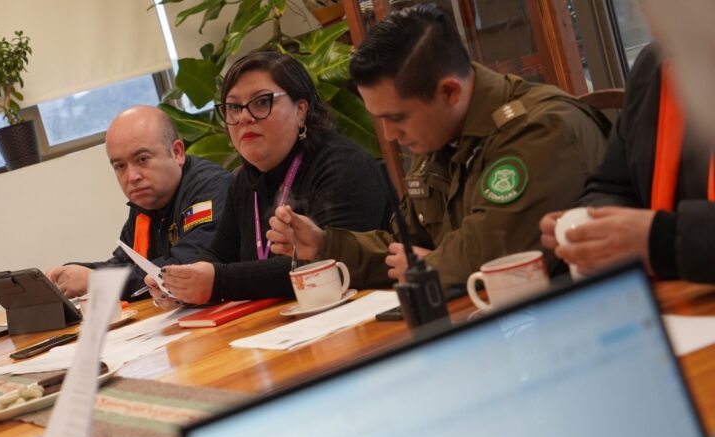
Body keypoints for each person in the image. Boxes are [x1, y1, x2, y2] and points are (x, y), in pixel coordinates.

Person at [266, 4, 610, 289]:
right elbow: (406, 247)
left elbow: (491, 254)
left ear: (449, 92)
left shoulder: (541, 130)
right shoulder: (440, 133)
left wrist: (431, 265)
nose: (389, 134)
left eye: (397, 117)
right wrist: (326, 244)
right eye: (379, 118)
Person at [152, 51, 392, 306]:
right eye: (234, 107)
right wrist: (183, 282)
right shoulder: (244, 181)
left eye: (261, 102)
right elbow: (218, 255)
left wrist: (218, 281)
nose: (244, 117)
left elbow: (327, 265)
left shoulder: (342, 164)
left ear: (300, 111)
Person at [539, 43, 715, 283]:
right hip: (671, 297)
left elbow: (656, 239)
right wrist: (593, 223)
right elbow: (611, 186)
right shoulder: (652, 66)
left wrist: (661, 240)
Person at [47, 106, 231, 301]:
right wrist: (71, 274)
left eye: (142, 159)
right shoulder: (147, 201)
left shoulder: (210, 187)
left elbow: (186, 268)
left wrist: (99, 280)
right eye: (120, 166)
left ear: (177, 152)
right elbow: (125, 264)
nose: (132, 176)